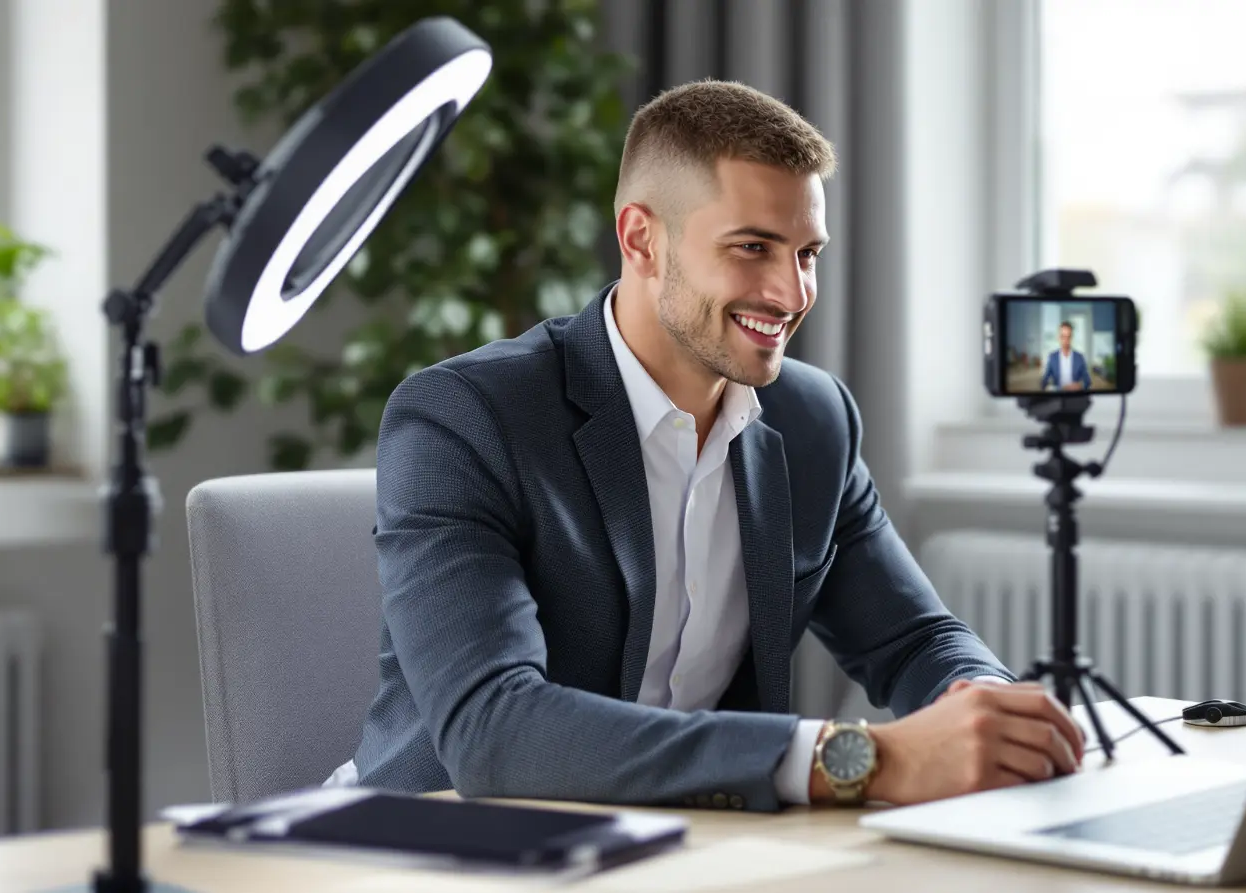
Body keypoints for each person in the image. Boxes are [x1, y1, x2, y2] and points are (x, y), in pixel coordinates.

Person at [331, 79, 1085, 813]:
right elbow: (494, 729)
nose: (792, 295)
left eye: (807, 253)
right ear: (641, 239)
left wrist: (990, 714)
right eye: (753, 246)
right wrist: (861, 757)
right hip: (436, 843)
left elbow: (914, 637)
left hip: (678, 844)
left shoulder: (814, 419)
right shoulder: (467, 417)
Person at [1041, 321, 1091, 391]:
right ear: (1059, 337)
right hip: (1058, 396)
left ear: (1072, 338)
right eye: (1063, 337)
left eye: (1068, 337)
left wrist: (1080, 385)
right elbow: (1044, 382)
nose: (1066, 340)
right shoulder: (1052, 357)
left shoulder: (1080, 357)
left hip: (1075, 396)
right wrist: (1056, 388)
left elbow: (1087, 381)